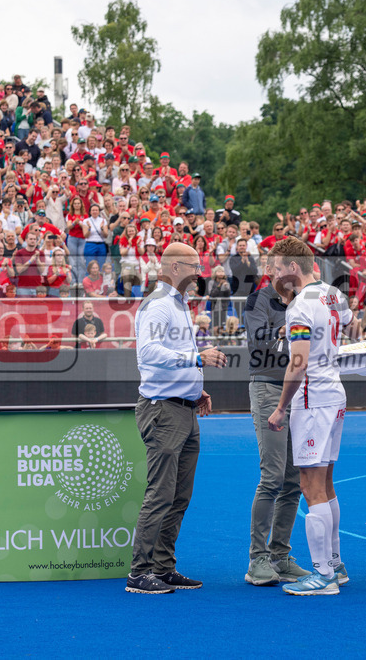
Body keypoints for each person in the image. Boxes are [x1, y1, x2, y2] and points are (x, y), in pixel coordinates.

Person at [126, 243, 225, 595]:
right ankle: (140, 571)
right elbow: (148, 352)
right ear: (176, 267)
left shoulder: (176, 304)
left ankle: (163, 567)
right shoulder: (160, 304)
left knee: (178, 495)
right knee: (161, 493)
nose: (200, 272)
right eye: (195, 266)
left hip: (182, 407)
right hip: (164, 410)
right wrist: (196, 358)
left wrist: (194, 390)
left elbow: (166, 355)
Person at [266, 237, 358, 595]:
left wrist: (280, 407)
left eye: (275, 267)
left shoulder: (299, 305)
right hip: (333, 393)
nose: (272, 275)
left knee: (310, 485)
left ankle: (322, 575)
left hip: (313, 397)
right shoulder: (334, 295)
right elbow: (352, 326)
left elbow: (298, 361)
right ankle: (335, 564)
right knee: (327, 482)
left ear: (292, 267)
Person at [243, 251, 311, 586]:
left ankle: (280, 554)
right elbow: (256, 341)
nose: (281, 272)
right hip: (268, 387)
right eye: (276, 267)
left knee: (293, 480)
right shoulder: (259, 299)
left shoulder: (304, 301)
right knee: (272, 477)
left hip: (297, 390)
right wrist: (285, 330)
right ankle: (257, 559)